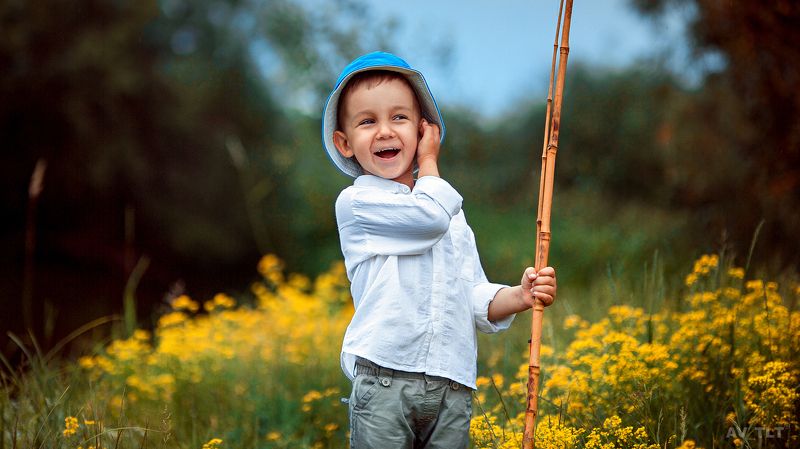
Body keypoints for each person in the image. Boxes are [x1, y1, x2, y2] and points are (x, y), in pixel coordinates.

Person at [321, 51, 557, 449]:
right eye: (367, 122)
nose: (384, 132)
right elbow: (427, 219)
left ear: (423, 128)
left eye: (399, 118)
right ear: (344, 142)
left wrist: (519, 295)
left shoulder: (450, 212)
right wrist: (429, 161)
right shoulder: (357, 204)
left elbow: (471, 294)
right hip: (385, 379)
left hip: (451, 383)